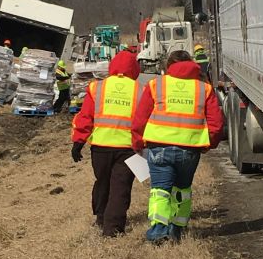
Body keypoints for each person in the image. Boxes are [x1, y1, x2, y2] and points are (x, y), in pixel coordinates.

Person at [132, 50, 223, 243]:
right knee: (182, 189)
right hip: (190, 150)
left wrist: (138, 142)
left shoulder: (156, 85)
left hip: (159, 148)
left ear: (169, 66)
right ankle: (176, 230)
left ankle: (158, 231)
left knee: (160, 190)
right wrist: (209, 144)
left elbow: (140, 119)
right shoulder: (203, 89)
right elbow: (216, 123)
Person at [71, 51, 141, 237]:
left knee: (102, 182)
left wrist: (78, 141)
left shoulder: (97, 88)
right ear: (135, 68)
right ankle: (113, 229)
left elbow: (85, 117)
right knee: (120, 187)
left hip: (100, 148)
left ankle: (101, 217)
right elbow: (144, 121)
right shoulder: (140, 90)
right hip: (128, 149)